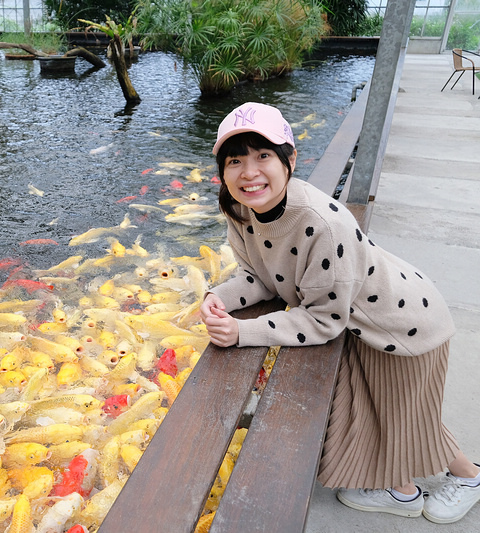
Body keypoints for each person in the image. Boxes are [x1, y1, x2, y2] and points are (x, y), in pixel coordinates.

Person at [200, 102, 480, 524]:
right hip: (363, 322)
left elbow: (322, 321)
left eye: (263, 156)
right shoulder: (241, 209)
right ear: (222, 171)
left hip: (403, 326)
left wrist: (243, 333)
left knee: (403, 417)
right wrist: (219, 296)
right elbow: (259, 275)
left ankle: (442, 485)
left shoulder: (320, 223)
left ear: (290, 159)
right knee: (395, 411)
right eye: (235, 160)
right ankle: (406, 488)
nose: (249, 172)